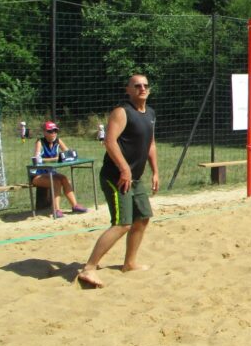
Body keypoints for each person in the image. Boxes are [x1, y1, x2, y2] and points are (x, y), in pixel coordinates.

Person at [77, 74, 159, 288]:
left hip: (136, 177)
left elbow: (150, 145)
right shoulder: (122, 112)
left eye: (145, 85)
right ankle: (89, 268)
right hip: (116, 177)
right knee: (123, 223)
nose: (142, 88)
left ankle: (129, 263)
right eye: (137, 86)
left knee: (142, 218)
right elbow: (109, 141)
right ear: (128, 90)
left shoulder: (150, 113)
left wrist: (155, 172)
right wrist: (124, 169)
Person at [31, 120, 88, 218]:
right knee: (56, 182)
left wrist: (68, 155)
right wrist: (56, 159)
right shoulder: (40, 142)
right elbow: (37, 159)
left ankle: (75, 205)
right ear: (45, 132)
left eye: (55, 131)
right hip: (37, 175)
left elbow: (67, 153)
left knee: (65, 179)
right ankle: (56, 210)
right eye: (50, 131)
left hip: (51, 173)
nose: (53, 133)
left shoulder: (58, 140)